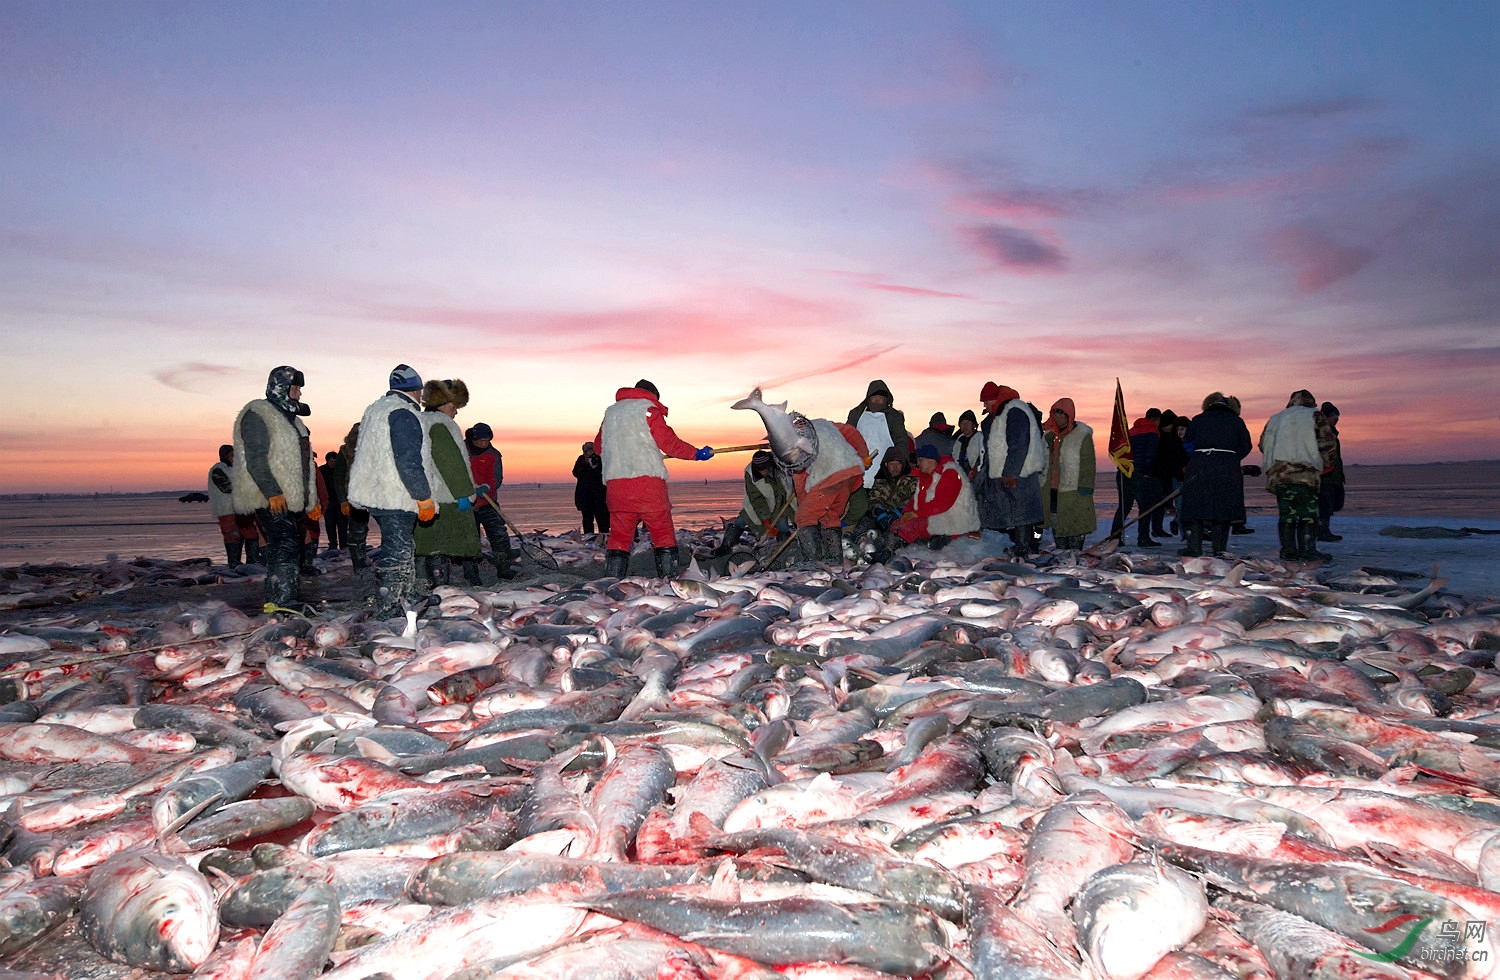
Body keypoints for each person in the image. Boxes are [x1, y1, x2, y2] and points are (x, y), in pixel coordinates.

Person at [593, 379, 713, 579]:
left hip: (617, 488)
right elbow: (669, 444)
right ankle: (668, 580)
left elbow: (598, 447)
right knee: (662, 533)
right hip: (647, 486)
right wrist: (697, 453)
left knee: (619, 537)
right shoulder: (649, 410)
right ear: (653, 396)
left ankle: (611, 582)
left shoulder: (611, 414)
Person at [347, 364, 436, 617]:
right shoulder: (403, 413)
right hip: (395, 493)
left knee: (403, 545)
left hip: (377, 491)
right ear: (416, 390)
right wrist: (422, 495)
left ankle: (408, 595)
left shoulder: (376, 410)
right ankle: (388, 605)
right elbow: (408, 459)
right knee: (396, 551)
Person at [231, 366, 319, 611]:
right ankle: (282, 602)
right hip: (270, 497)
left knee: (291, 546)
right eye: (295, 387)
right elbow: (256, 458)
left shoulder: (294, 421)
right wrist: (272, 491)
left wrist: (310, 500)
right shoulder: (258, 415)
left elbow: (303, 465)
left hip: (291, 499)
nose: (299, 393)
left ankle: (279, 600)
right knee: (285, 544)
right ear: (281, 387)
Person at [415, 379, 484, 587]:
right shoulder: (440, 425)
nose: (455, 412)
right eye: (454, 407)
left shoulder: (420, 421)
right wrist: (464, 493)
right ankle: (440, 589)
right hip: (445, 497)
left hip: (424, 496)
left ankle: (422, 586)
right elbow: (450, 462)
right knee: (440, 546)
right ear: (444, 404)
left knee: (423, 547)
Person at [1259, 389, 1335, 562]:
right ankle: (1308, 550)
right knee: (1308, 513)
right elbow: (1327, 443)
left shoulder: (1275, 418)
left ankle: (1288, 551)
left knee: (1287, 513)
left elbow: (1263, 443)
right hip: (1305, 473)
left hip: (1280, 474)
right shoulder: (1314, 415)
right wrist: (1327, 463)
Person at [1178, 392, 1252, 558]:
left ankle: (1194, 548)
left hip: (1199, 467)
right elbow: (1246, 446)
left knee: (1195, 507)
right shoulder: (1236, 421)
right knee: (1223, 509)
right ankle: (1219, 549)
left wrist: (1198, 456)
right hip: (1227, 469)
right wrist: (1231, 458)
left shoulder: (1198, 419)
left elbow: (1187, 442)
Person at [977, 382, 1045, 557]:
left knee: (1022, 511)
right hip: (1008, 473)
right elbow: (989, 448)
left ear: (995, 399)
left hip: (1020, 473)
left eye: (986, 401)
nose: (985, 405)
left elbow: (1019, 444)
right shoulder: (999, 414)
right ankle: (1017, 546)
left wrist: (1010, 472)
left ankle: (1023, 548)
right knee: (1012, 511)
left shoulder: (1015, 411)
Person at [789, 416, 868, 564]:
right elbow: (851, 432)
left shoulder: (793, 445)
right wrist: (863, 455)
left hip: (828, 476)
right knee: (830, 516)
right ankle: (834, 560)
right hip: (849, 472)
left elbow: (800, 480)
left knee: (803, 516)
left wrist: (805, 506)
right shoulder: (824, 424)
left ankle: (813, 563)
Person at [892, 443, 980, 547]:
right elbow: (917, 500)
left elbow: (942, 504)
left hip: (955, 519)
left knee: (915, 525)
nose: (918, 464)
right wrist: (907, 512)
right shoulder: (926, 476)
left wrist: (916, 514)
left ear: (931, 461)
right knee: (898, 524)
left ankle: (894, 546)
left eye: (920, 460)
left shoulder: (950, 473)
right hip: (938, 516)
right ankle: (893, 541)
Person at [714, 450, 795, 555]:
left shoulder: (782, 465)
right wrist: (766, 520)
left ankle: (783, 551)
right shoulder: (750, 474)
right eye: (760, 470)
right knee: (740, 521)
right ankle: (725, 547)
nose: (763, 472)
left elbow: (790, 483)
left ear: (770, 465)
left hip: (782, 504)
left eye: (764, 469)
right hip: (756, 504)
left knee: (783, 527)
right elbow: (757, 499)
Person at [1041, 398, 1096, 550]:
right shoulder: (1048, 437)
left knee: (1075, 523)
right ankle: (1061, 553)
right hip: (1051, 489)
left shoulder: (1081, 435)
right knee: (1056, 522)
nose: (1057, 416)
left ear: (1069, 415)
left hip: (1073, 489)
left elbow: (1088, 462)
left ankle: (1075, 555)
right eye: (1055, 413)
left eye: (1061, 413)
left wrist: (1086, 486)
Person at [466, 422, 518, 580]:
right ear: (473, 439)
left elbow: (497, 477)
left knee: (499, 535)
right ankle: (471, 575)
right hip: (466, 504)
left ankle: (504, 568)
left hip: (488, 503)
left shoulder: (493, 454)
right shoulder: (461, 450)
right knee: (470, 539)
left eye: (487, 440)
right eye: (480, 441)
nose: (484, 444)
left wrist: (487, 487)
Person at [1111, 408, 1163, 548]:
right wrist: (1147, 472)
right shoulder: (1152, 431)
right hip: (1139, 473)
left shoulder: (1131, 431)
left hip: (1124, 472)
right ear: (1157, 419)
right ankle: (1143, 538)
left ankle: (1115, 538)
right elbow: (1149, 454)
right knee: (1145, 506)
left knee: (1124, 507)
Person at [207, 445, 261, 568]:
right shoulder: (218, 469)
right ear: (225, 456)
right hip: (227, 509)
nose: (235, 458)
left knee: (251, 534)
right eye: (232, 455)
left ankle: (252, 562)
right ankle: (233, 563)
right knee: (233, 536)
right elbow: (226, 488)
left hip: (244, 508)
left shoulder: (238, 470)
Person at [847, 380, 908, 489]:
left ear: (886, 400)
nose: (877, 400)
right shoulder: (856, 414)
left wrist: (904, 470)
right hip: (858, 471)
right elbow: (847, 438)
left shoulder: (894, 418)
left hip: (885, 474)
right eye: (874, 397)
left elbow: (901, 443)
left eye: (880, 398)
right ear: (868, 399)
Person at [338, 424, 371, 574]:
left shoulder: (373, 450)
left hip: (376, 495)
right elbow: (338, 477)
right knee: (357, 530)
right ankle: (359, 562)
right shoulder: (345, 452)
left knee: (387, 528)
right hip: (354, 496)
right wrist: (342, 500)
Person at [1152, 411, 1189, 538]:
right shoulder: (1163, 438)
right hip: (1169, 475)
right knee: (1177, 504)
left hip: (1177, 474)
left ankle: (1178, 524)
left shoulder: (1179, 439)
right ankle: (1182, 531)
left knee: (1185, 505)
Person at [865, 448, 918, 535]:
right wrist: (879, 511)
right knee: (866, 524)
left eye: (898, 464)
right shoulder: (880, 479)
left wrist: (900, 510)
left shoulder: (911, 480)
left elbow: (916, 497)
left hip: (903, 517)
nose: (895, 467)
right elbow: (874, 498)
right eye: (892, 464)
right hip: (883, 516)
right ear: (886, 465)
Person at [1317, 402, 1346, 542]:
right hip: (1324, 476)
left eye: (1337, 416)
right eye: (1334, 416)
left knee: (1334, 503)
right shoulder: (1322, 433)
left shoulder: (1332, 433)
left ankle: (1322, 530)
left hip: (1334, 475)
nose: (1336, 418)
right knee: (1325, 505)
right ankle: (1322, 531)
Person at [571, 441, 609, 537]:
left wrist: (595, 465)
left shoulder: (601, 459)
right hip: (585, 496)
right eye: (587, 450)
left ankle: (604, 537)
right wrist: (586, 464)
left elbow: (603, 473)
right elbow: (576, 473)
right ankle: (589, 538)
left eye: (591, 449)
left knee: (602, 519)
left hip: (599, 496)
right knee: (587, 520)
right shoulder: (581, 460)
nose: (589, 452)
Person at [319, 450, 349, 554]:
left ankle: (344, 545)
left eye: (335, 461)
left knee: (342, 525)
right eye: (331, 461)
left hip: (340, 501)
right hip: (328, 502)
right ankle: (332, 545)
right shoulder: (322, 470)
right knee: (330, 525)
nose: (333, 463)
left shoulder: (340, 471)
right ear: (327, 461)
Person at [953, 409, 985, 486]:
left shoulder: (980, 437)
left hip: (977, 475)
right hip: (962, 475)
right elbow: (955, 456)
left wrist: (976, 469)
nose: (965, 426)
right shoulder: (959, 440)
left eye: (968, 423)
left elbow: (983, 455)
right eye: (962, 423)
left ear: (974, 425)